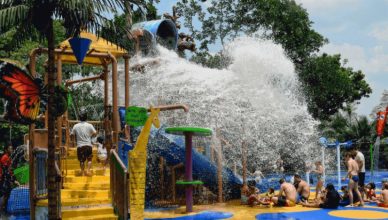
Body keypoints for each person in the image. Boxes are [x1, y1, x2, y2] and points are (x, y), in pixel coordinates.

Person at [71, 112, 97, 176]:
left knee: (81, 160)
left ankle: (82, 172)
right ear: (86, 117)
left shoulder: (75, 126)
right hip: (88, 145)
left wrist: (73, 141)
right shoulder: (89, 125)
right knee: (89, 159)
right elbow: (95, 133)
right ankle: (88, 171)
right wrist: (90, 136)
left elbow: (72, 134)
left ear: (79, 118)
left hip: (80, 146)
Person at [0, 144, 19, 212]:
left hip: (6, 178)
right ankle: (1, 212)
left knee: (7, 195)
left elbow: (10, 170)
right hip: (3, 179)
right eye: (10, 148)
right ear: (6, 150)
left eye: (12, 148)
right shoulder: (5, 158)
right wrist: (13, 180)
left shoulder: (9, 157)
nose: (12, 150)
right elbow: (6, 171)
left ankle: (4, 210)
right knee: (4, 195)